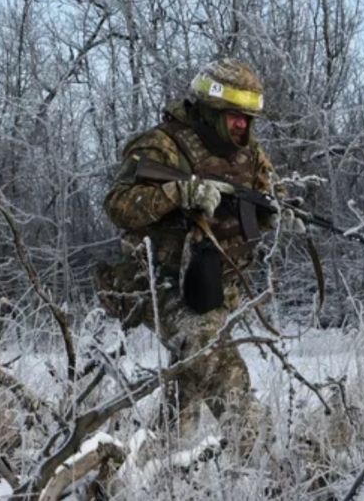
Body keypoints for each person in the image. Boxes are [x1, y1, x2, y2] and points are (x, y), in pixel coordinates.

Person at [100, 58, 277, 456]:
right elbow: (117, 205)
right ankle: (263, 463)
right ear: (211, 110)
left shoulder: (249, 154)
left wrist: (276, 214)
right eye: (234, 116)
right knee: (217, 361)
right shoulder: (160, 146)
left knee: (192, 377)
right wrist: (178, 194)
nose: (241, 127)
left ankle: (155, 461)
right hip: (155, 279)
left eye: (247, 119)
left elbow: (265, 194)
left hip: (212, 283)